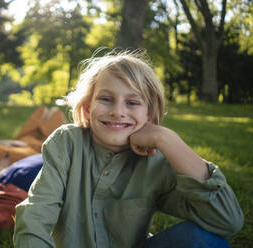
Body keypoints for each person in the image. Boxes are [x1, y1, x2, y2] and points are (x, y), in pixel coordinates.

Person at [13, 50, 244, 247]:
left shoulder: (158, 161)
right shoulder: (67, 143)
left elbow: (227, 220)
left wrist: (166, 138)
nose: (118, 112)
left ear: (149, 115)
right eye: (106, 99)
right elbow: (35, 216)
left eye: (132, 103)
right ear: (86, 108)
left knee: (201, 239)